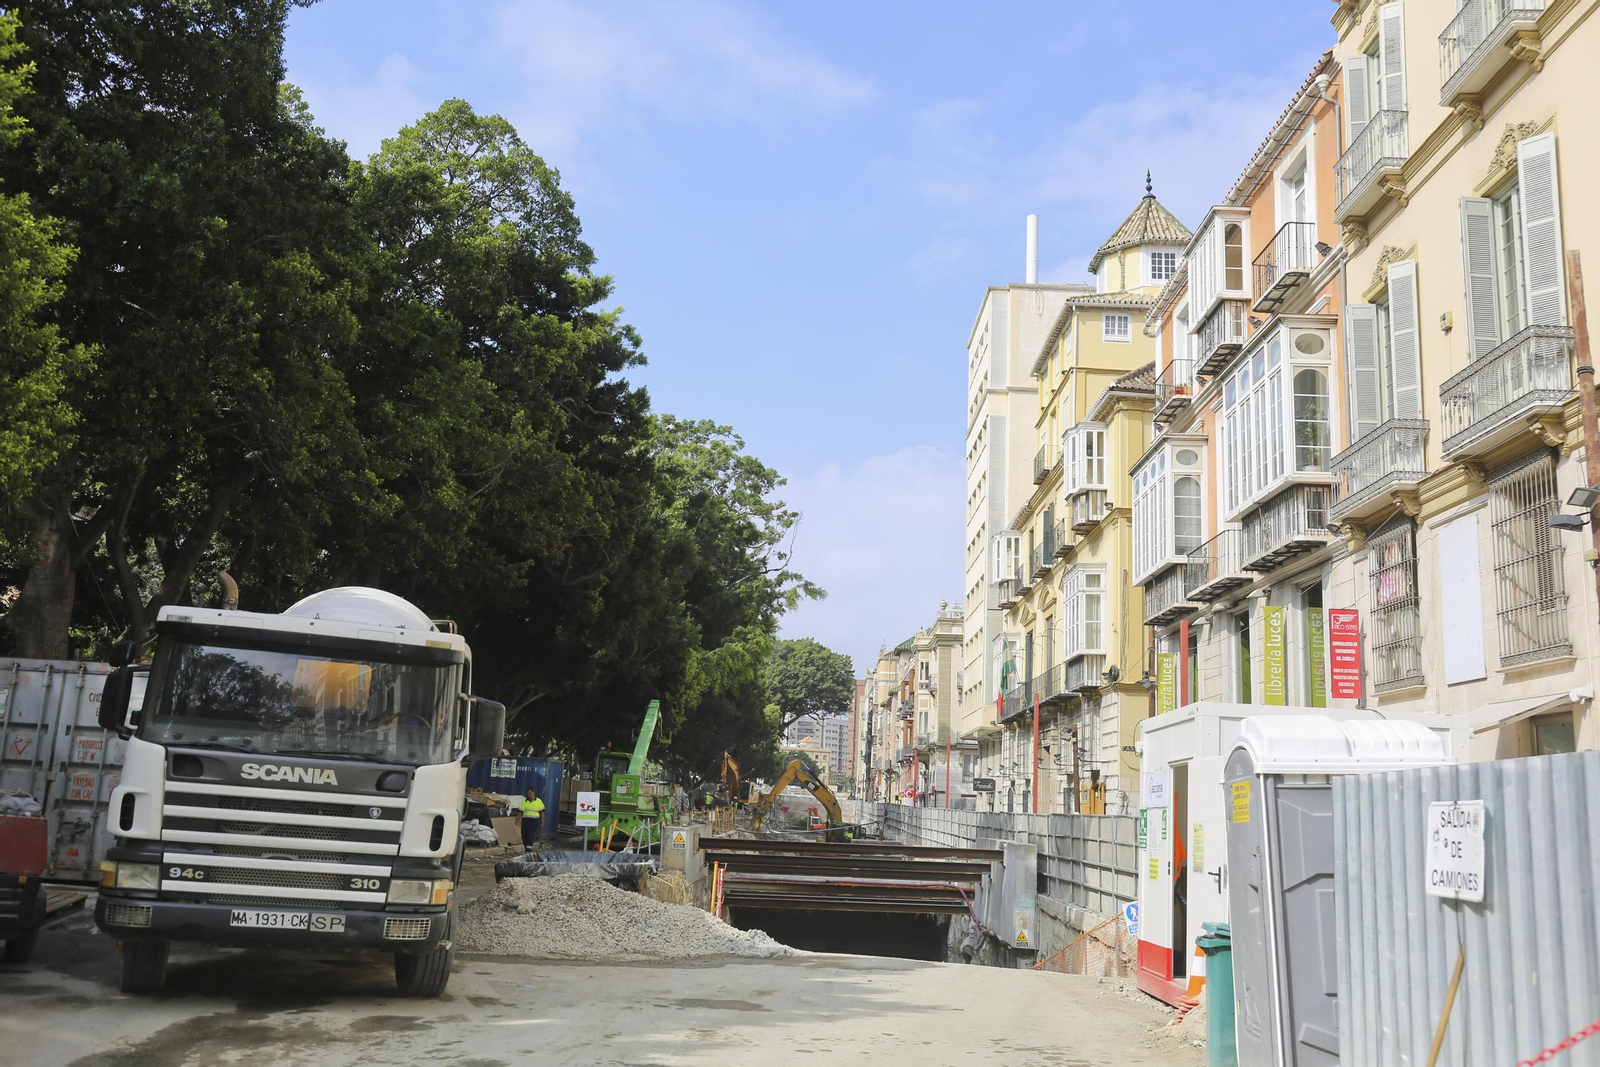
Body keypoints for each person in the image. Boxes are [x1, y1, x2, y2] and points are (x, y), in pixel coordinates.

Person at [517, 788, 545, 852]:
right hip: (525, 821)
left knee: (530, 836)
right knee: (524, 835)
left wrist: (542, 823)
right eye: (528, 794)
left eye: (530, 793)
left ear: (533, 793)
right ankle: (527, 849)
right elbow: (520, 811)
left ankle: (528, 851)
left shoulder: (538, 801)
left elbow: (542, 813)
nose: (529, 795)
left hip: (534, 821)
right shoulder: (524, 802)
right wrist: (517, 819)